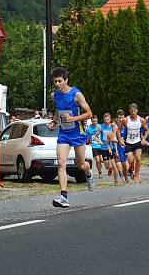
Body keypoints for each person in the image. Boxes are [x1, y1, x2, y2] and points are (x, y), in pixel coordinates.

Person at [48, 67, 95, 208]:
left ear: (66, 80)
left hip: (77, 133)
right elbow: (58, 110)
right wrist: (54, 121)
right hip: (64, 134)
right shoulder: (55, 95)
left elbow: (89, 114)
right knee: (61, 163)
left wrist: (73, 118)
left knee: (81, 165)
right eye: (55, 81)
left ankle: (89, 173)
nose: (57, 84)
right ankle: (63, 196)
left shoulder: (76, 94)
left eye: (60, 81)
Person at [123, 103, 149, 184]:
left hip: (137, 142)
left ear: (137, 111)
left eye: (134, 111)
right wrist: (120, 140)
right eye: (131, 111)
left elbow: (147, 130)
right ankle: (131, 169)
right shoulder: (126, 119)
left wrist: (144, 138)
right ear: (129, 111)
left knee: (138, 158)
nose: (133, 112)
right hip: (128, 142)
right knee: (131, 160)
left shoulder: (141, 120)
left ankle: (136, 175)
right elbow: (118, 130)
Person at [97, 113, 117, 180]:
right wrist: (99, 141)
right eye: (105, 120)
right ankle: (109, 168)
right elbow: (96, 136)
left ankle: (112, 170)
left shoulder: (112, 126)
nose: (106, 121)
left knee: (113, 160)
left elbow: (115, 133)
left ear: (110, 119)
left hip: (111, 146)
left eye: (107, 120)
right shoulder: (101, 126)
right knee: (106, 163)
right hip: (103, 147)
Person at [113, 110, 129, 184]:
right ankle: (122, 177)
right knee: (120, 167)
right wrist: (119, 141)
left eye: (122, 117)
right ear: (117, 118)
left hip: (125, 148)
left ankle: (126, 179)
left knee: (126, 166)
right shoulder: (115, 127)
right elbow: (112, 139)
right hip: (117, 149)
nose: (121, 119)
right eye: (120, 117)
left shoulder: (126, 126)